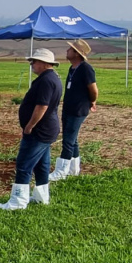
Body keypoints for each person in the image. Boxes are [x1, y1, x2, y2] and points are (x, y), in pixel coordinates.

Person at [0, 48, 63, 210]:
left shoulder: (46, 81)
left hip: (39, 130)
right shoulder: (52, 78)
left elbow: (42, 106)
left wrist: (29, 126)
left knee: (24, 163)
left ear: (43, 63)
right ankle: (41, 196)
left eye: (34, 61)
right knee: (41, 164)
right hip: (47, 129)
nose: (32, 64)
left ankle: (18, 201)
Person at [49, 40, 98, 181]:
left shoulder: (86, 69)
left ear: (77, 53)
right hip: (69, 108)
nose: (67, 51)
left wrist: (92, 101)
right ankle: (74, 169)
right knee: (72, 139)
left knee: (68, 140)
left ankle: (61, 171)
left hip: (78, 109)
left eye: (70, 49)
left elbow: (93, 89)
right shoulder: (72, 68)